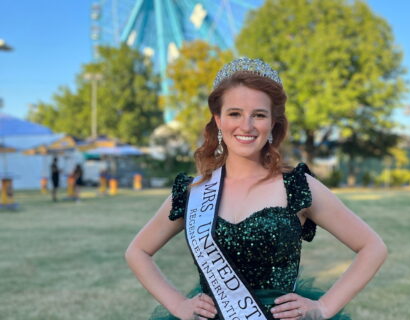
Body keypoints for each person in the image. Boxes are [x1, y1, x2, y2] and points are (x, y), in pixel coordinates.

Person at [125, 58, 388, 320]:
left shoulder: (297, 186)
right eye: (234, 113)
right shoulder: (193, 192)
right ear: (218, 120)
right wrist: (179, 305)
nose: (246, 126)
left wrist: (323, 307)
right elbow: (137, 252)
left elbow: (372, 247)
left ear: (273, 123)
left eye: (259, 115)